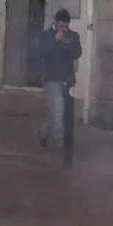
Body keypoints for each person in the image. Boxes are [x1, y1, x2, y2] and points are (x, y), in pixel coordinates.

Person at [36, 9, 82, 149]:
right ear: (56, 23)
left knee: (60, 114)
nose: (64, 29)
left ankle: (43, 132)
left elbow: (77, 52)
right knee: (58, 112)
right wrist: (55, 42)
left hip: (67, 79)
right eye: (61, 26)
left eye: (66, 26)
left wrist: (65, 44)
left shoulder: (73, 36)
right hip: (52, 78)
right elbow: (42, 53)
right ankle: (61, 145)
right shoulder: (46, 36)